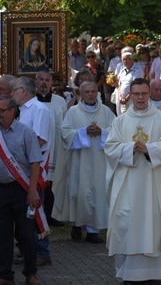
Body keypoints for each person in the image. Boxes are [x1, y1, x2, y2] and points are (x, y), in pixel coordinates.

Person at [104, 78, 161, 283]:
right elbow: (110, 148)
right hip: (128, 184)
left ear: (150, 94)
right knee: (127, 223)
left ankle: (155, 272)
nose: (140, 98)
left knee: (153, 222)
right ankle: (129, 272)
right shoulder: (120, 121)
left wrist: (149, 150)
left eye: (143, 94)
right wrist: (129, 148)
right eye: (136, 94)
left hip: (154, 184)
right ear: (130, 95)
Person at [0, 96, 40, 285]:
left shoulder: (26, 133)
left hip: (21, 189)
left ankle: (31, 274)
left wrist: (32, 190)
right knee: (2, 234)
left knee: (26, 234)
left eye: (1, 110)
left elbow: (35, 163)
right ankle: (5, 276)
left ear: (13, 111)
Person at [52, 81, 115, 243]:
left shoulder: (106, 112)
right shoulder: (73, 112)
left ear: (97, 93)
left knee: (97, 194)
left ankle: (93, 231)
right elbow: (65, 134)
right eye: (87, 92)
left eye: (93, 91)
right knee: (78, 193)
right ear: (81, 93)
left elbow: (116, 132)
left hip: (100, 162)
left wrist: (102, 132)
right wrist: (82, 133)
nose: (91, 94)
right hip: (79, 161)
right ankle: (77, 225)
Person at [11, 77, 53, 267]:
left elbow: (40, 140)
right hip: (23, 167)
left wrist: (18, 155)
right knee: (26, 212)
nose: (12, 94)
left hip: (34, 167)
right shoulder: (23, 111)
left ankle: (42, 251)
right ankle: (30, 250)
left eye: (14, 90)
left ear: (24, 91)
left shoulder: (40, 110)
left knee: (35, 209)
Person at [35, 71, 66, 227]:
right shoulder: (31, 102)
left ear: (51, 83)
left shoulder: (60, 102)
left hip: (56, 147)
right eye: (41, 80)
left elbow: (65, 125)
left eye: (47, 80)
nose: (44, 83)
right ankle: (37, 214)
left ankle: (51, 214)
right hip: (38, 149)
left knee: (53, 182)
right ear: (36, 82)